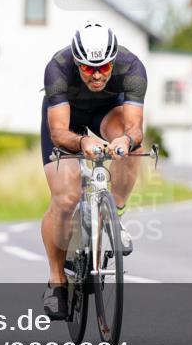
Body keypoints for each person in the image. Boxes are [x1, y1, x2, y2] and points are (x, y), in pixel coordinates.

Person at [39, 21, 147, 320]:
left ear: (114, 61)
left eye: (104, 67)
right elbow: (59, 131)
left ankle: (117, 213)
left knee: (130, 146)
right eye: (88, 69)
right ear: (77, 61)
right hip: (66, 120)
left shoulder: (132, 67)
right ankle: (57, 281)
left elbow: (134, 126)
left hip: (107, 112)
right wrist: (83, 141)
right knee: (65, 197)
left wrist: (125, 140)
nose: (97, 75)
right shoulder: (58, 68)